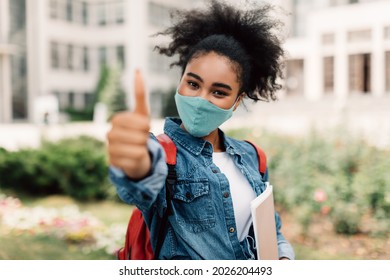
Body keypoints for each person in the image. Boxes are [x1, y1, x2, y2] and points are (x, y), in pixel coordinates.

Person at [107, 0, 295, 260]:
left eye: (219, 92)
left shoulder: (253, 157)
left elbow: (270, 231)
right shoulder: (161, 154)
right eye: (193, 84)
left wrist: (283, 259)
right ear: (181, 80)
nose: (201, 99)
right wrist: (135, 162)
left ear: (237, 101)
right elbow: (141, 181)